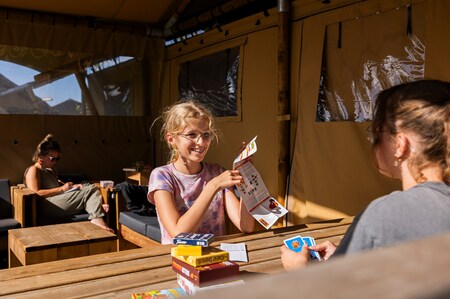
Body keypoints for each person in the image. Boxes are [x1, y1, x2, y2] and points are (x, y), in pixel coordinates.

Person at [280, 79, 450, 271]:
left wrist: (299, 272)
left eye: (376, 132)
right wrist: (351, 255)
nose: (373, 141)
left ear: (400, 144)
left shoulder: (384, 215)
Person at [148, 101, 255, 245]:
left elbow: (246, 226)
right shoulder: (162, 176)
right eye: (191, 134)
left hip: (216, 256)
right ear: (171, 139)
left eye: (206, 134)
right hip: (180, 260)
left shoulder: (217, 172)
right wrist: (213, 186)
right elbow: (178, 234)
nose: (201, 142)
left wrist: (246, 176)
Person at [24, 134, 113, 232]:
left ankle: (96, 207)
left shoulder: (49, 171)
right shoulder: (34, 170)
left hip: (56, 200)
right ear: (41, 157)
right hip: (46, 205)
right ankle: (97, 217)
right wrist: (62, 189)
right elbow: (36, 193)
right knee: (90, 190)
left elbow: (59, 189)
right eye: (52, 158)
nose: (55, 162)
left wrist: (72, 187)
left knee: (88, 186)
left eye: (57, 159)